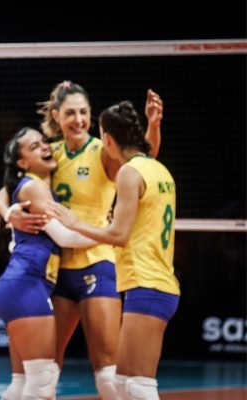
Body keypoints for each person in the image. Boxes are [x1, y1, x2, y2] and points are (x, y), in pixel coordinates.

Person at [0, 81, 163, 399]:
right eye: (71, 113)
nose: (79, 120)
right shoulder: (49, 153)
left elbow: (143, 158)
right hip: (57, 271)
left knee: (107, 371)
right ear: (57, 115)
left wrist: (153, 125)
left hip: (97, 263)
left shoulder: (103, 149)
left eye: (84, 112)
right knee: (46, 370)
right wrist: (10, 212)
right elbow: (4, 189)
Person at [47, 100, 179, 400]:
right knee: (124, 383)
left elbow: (118, 235)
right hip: (154, 282)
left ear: (106, 138)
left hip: (146, 282)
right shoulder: (157, 169)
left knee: (137, 386)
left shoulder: (128, 172)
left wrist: (73, 223)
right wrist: (154, 127)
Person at [0, 127, 98, 400]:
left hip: (18, 286)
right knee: (41, 383)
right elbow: (66, 237)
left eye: (43, 141)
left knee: (23, 382)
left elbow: (1, 196)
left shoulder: (32, 185)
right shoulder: (34, 186)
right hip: (25, 284)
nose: (44, 147)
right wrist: (112, 232)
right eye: (34, 146)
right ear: (22, 163)